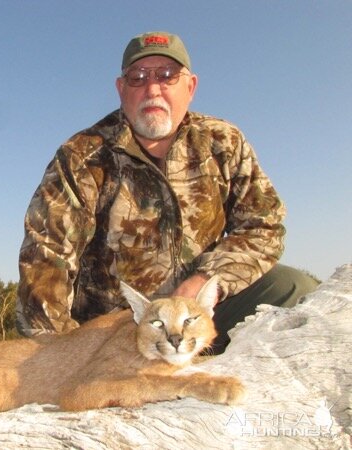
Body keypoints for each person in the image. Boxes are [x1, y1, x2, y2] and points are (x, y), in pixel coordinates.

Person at [16, 31, 318, 352]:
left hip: (204, 309)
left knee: (297, 289)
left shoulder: (224, 142)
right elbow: (45, 260)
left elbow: (264, 226)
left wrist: (206, 281)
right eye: (138, 77)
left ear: (190, 87)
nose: (152, 89)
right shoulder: (81, 156)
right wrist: (62, 354)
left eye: (167, 76)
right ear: (121, 89)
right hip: (124, 328)